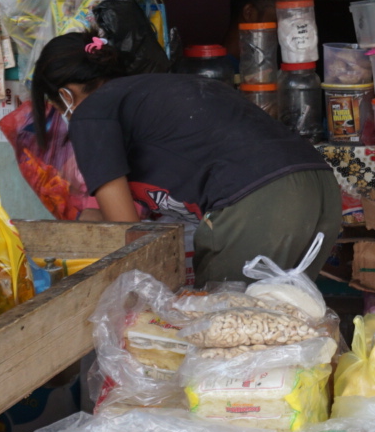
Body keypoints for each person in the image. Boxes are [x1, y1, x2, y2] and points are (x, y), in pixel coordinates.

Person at [30, 30, 344, 285]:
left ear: (66, 95)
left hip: (261, 204)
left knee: (224, 337)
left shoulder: (90, 113)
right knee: (282, 324)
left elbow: (128, 232)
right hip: (320, 190)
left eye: (56, 106)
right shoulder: (164, 88)